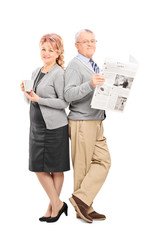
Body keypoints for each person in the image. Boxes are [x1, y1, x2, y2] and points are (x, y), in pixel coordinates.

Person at [20, 33, 70, 223]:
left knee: (56, 169)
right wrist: (26, 93)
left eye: (51, 50)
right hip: (37, 127)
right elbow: (29, 100)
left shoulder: (59, 73)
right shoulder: (36, 72)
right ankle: (58, 204)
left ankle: (53, 207)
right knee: (38, 168)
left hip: (55, 128)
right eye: (43, 49)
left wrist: (39, 99)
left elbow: (63, 102)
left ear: (58, 53)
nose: (46, 53)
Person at [64, 29, 111, 223]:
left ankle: (82, 201)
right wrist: (90, 84)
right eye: (86, 42)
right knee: (82, 168)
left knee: (103, 161)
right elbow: (68, 95)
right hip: (82, 122)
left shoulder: (93, 65)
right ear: (77, 45)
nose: (90, 44)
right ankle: (83, 207)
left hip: (96, 121)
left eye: (93, 41)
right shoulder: (75, 66)